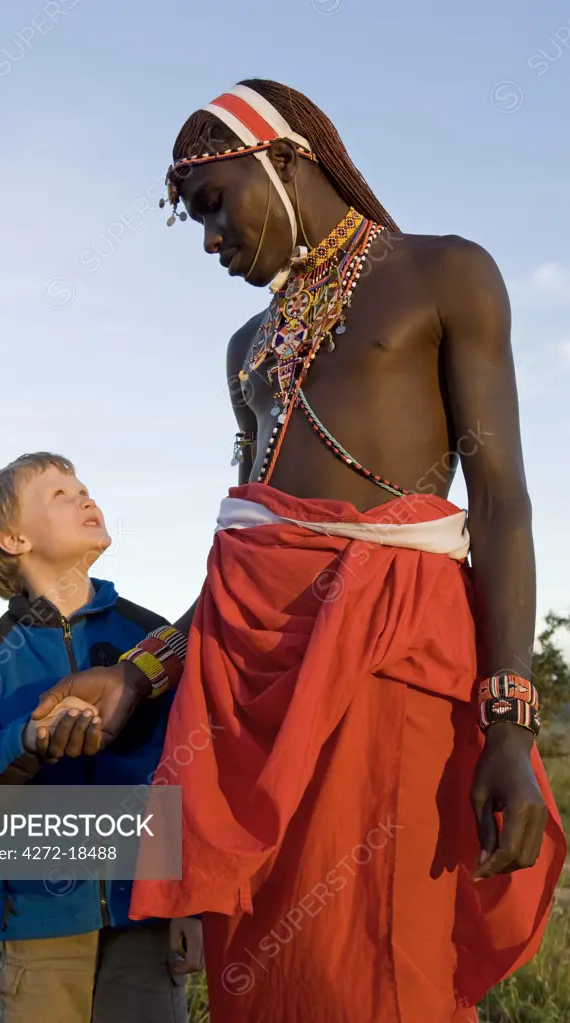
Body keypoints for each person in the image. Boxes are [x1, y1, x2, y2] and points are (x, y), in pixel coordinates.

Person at [30, 81, 567, 1023]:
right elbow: (254, 558)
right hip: (244, 709)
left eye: (213, 205)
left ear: (281, 159)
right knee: (263, 978)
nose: (208, 241)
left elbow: (506, 504)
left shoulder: (446, 273)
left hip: (388, 668)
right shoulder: (247, 349)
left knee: (377, 964)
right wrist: (138, 673)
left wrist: (512, 722)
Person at [0, 452, 202, 1023]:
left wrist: (191, 906)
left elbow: (189, 775)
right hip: (38, 923)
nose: (86, 497)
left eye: (83, 487)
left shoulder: (151, 639)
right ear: (13, 539)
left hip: (147, 915)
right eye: (59, 494)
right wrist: (26, 742)